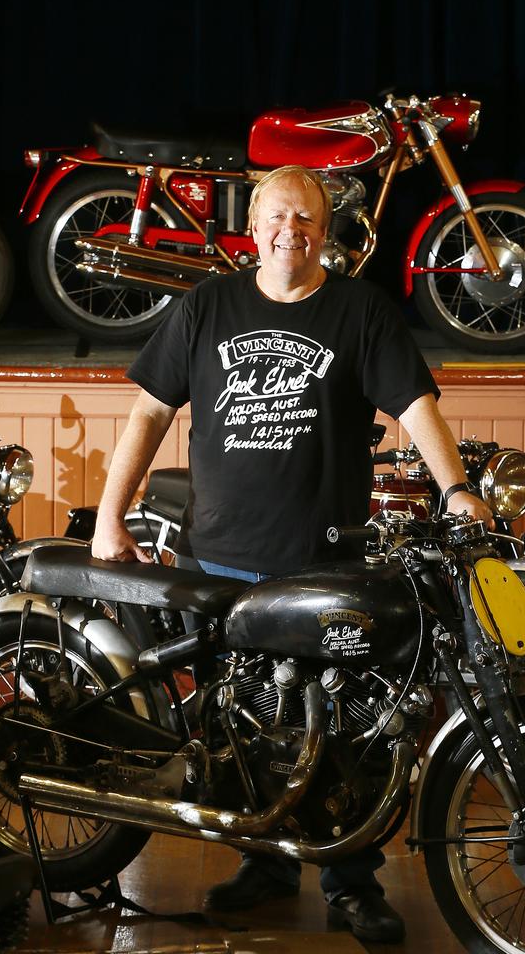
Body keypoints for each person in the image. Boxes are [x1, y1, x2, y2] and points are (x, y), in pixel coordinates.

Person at [93, 164, 492, 943]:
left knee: (345, 734)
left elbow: (417, 407)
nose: (291, 232)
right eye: (278, 217)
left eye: (307, 220)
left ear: (325, 232)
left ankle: (353, 882)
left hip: (324, 565)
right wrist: (111, 516)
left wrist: (455, 490)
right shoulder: (208, 306)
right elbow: (145, 414)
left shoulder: (359, 312)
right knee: (240, 728)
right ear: (253, 227)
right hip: (218, 564)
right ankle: (266, 861)